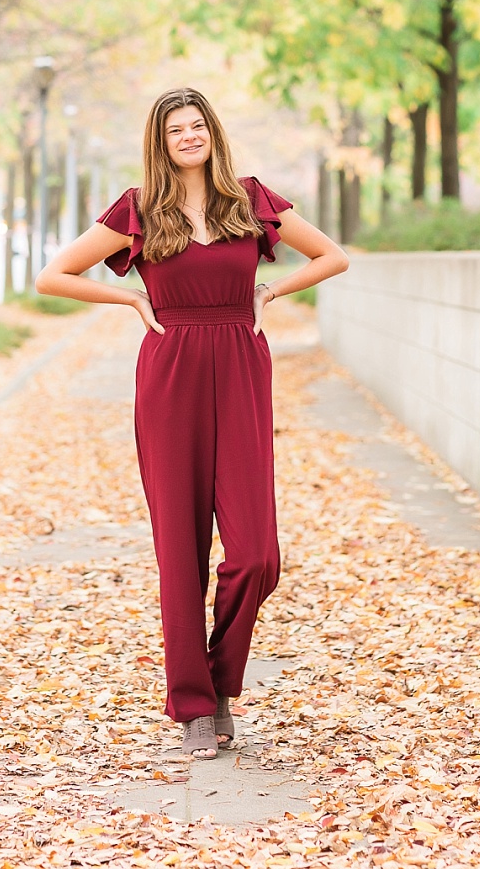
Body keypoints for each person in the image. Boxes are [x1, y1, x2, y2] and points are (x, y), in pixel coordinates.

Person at [37, 87, 349, 758]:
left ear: (213, 133)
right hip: (170, 371)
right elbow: (54, 275)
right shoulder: (138, 211)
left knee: (256, 555)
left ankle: (220, 679)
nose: (188, 136)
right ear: (161, 141)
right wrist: (124, 296)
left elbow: (332, 257)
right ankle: (194, 707)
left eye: (197, 124)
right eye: (175, 128)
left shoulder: (251, 201)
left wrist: (270, 289)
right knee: (181, 550)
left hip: (241, 365)